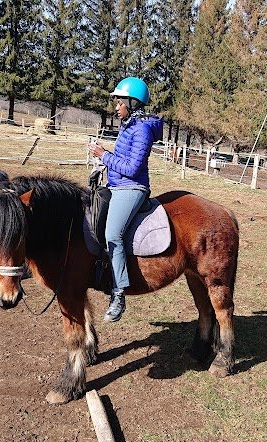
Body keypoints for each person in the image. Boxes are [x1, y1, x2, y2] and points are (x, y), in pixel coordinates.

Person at [87, 77, 163, 322]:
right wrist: (102, 164)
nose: (116, 107)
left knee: (112, 235)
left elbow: (132, 168)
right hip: (116, 185)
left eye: (120, 102)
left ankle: (119, 292)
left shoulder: (141, 130)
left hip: (133, 188)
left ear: (133, 103)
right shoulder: (128, 126)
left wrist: (104, 155)